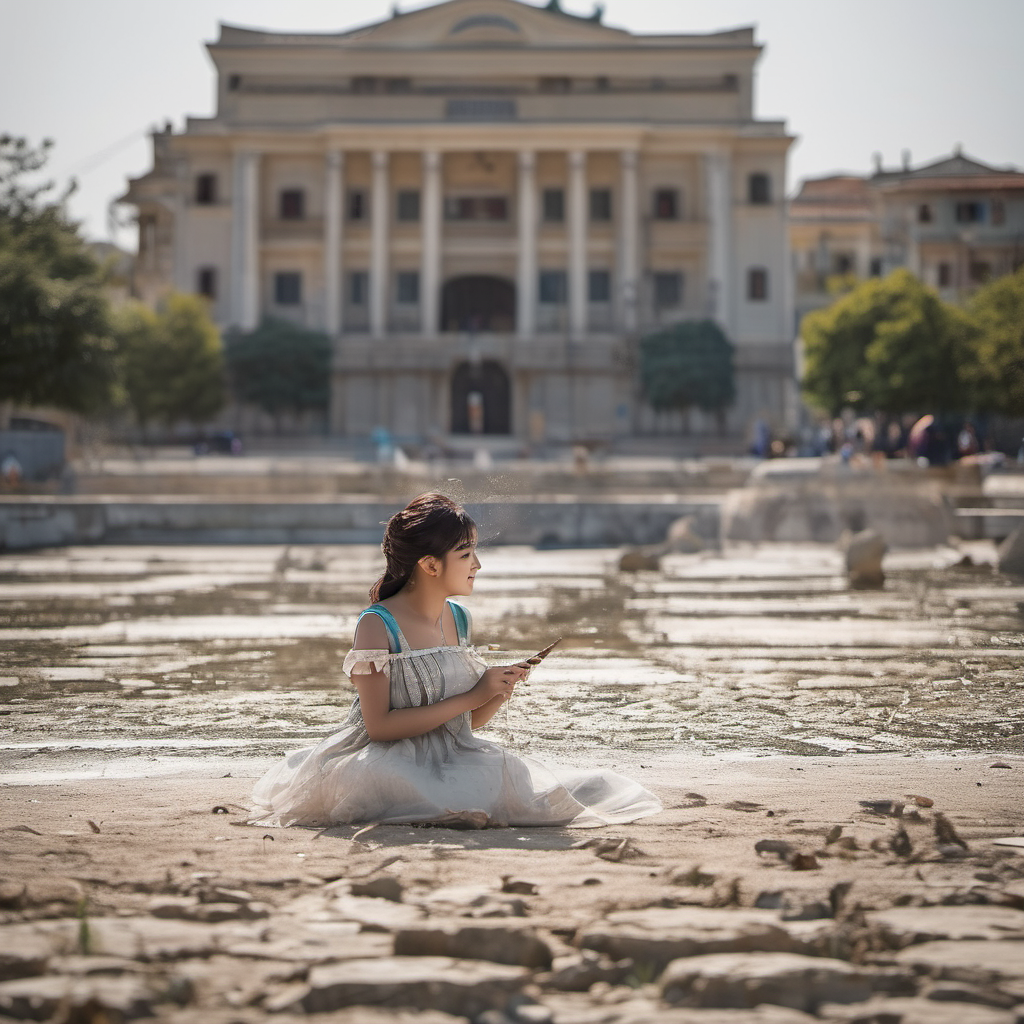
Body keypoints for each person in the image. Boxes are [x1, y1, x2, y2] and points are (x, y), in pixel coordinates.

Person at [251, 493, 661, 829]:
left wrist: (497, 691)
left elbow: (467, 724)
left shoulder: (459, 619)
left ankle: (452, 808)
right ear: (430, 564)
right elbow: (378, 728)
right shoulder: (377, 626)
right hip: (382, 758)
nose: (477, 566)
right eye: (466, 554)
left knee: (528, 780)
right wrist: (473, 695)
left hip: (453, 753)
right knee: (401, 783)